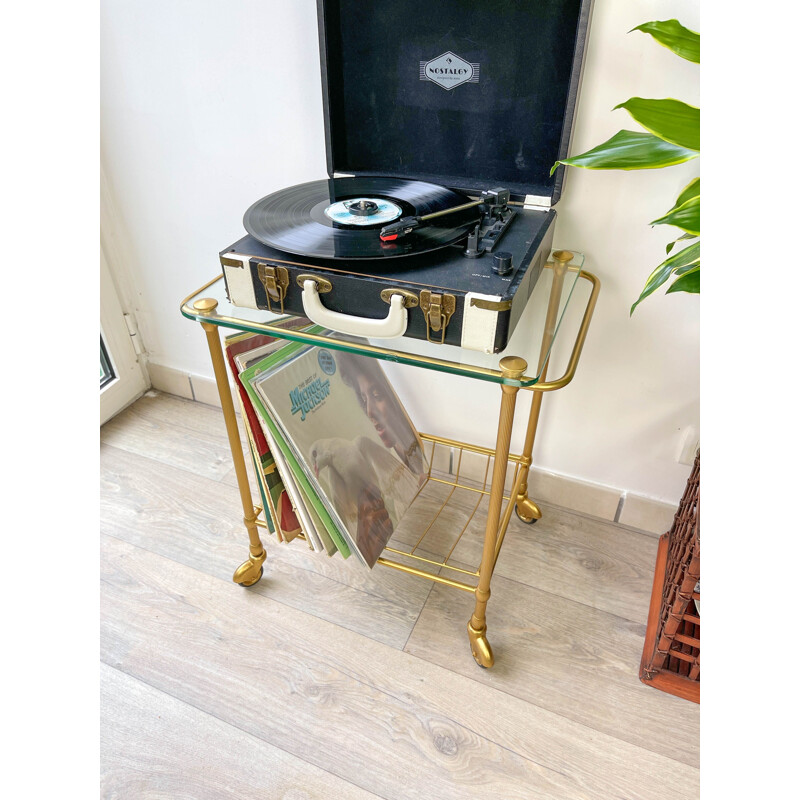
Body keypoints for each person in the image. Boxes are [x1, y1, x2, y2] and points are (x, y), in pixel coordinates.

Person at [336, 352, 426, 476]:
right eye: (364, 399)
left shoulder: (426, 445)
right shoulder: (380, 465)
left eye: (377, 395)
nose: (370, 411)